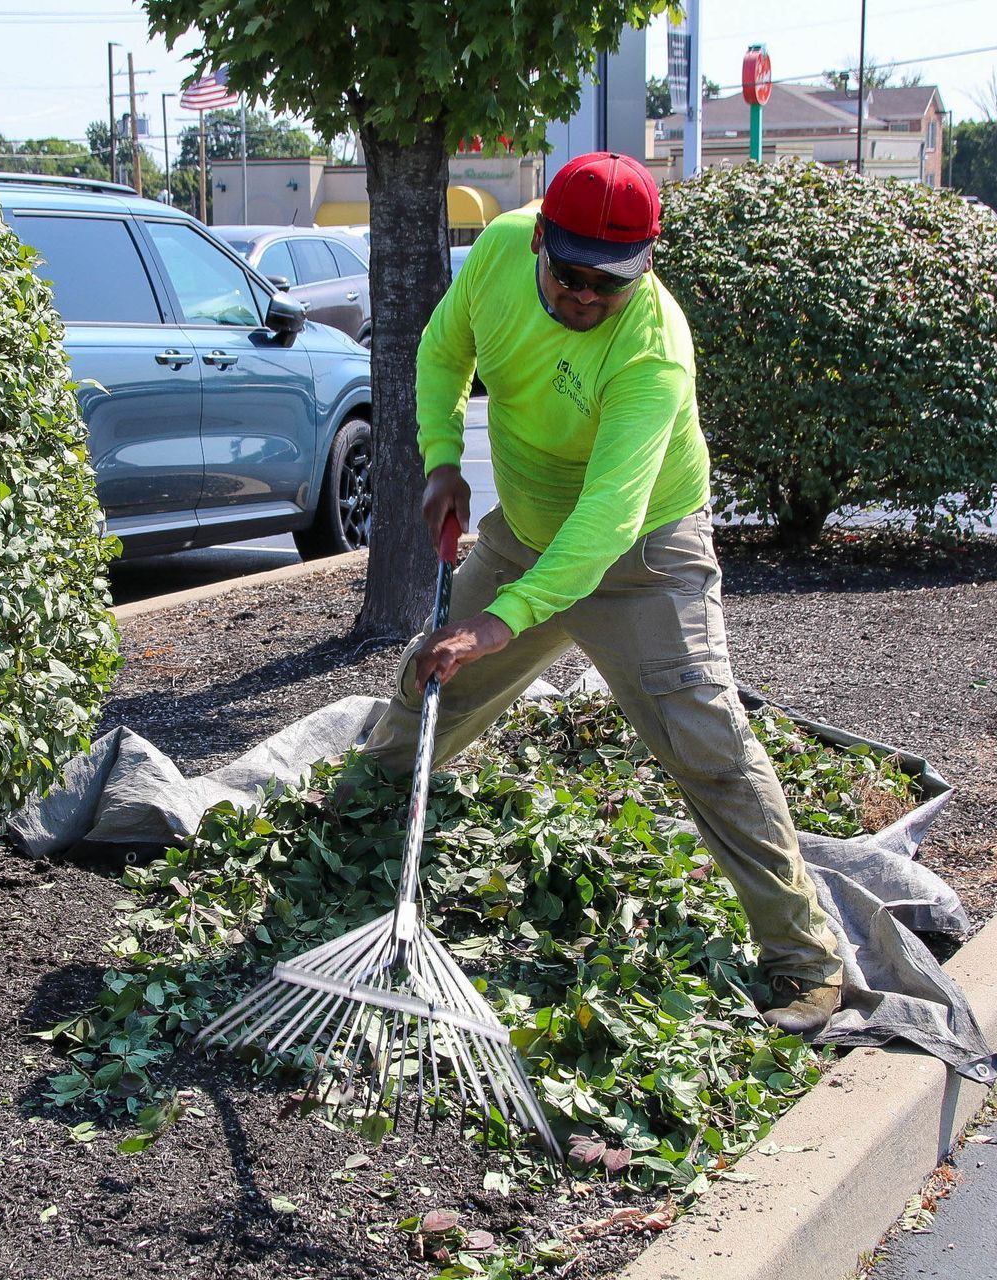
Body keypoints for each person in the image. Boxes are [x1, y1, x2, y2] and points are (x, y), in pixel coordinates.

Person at [361, 151, 842, 1036]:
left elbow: (609, 521)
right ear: (540, 238)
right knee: (432, 679)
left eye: (608, 284)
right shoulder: (502, 254)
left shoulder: (653, 349)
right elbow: (442, 350)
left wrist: (499, 622)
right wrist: (440, 461)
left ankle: (804, 958)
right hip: (529, 532)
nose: (584, 296)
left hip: (643, 557)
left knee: (704, 734)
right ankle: (358, 831)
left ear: (646, 266)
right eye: (570, 274)